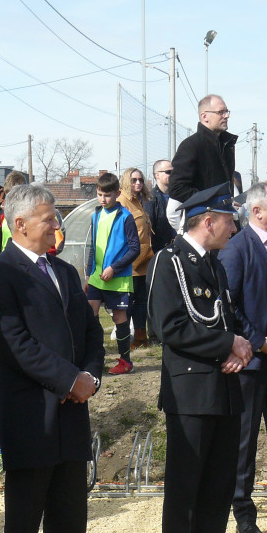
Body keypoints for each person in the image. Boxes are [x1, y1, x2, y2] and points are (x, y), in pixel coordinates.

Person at [0, 184, 106, 533]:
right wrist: (69, 380)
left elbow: (91, 332)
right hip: (30, 411)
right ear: (20, 224)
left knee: (70, 513)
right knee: (25, 515)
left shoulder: (64, 271)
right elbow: (15, 344)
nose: (56, 226)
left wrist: (89, 378)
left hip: (72, 410)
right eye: (49, 218)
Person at [148, 183, 251, 533]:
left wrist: (238, 347)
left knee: (216, 489)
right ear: (208, 221)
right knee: (185, 492)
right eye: (230, 221)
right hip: (190, 392)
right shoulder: (169, 261)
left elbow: (223, 316)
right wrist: (227, 344)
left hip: (224, 389)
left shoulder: (213, 264)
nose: (235, 228)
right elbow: (167, 326)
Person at [221, 182, 267, 533]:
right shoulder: (237, 249)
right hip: (250, 360)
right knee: (245, 440)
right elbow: (228, 305)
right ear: (257, 211)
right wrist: (255, 341)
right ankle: (243, 513)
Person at [86, 172, 140, 374]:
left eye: (107, 195)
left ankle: (125, 362)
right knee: (90, 315)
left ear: (117, 194)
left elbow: (135, 249)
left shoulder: (126, 217)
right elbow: (93, 247)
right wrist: (88, 274)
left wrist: (114, 268)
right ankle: (95, 359)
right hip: (96, 278)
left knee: (119, 318)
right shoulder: (96, 215)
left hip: (118, 279)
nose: (103, 199)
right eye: (100, 194)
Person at [167, 95, 237, 217]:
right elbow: (176, 188)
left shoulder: (226, 145)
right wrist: (212, 202)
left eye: (226, 111)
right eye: (220, 112)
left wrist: (227, 202)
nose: (226, 116)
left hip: (224, 219)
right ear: (204, 116)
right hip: (204, 221)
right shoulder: (191, 145)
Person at [117, 167, 154, 350]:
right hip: (130, 262)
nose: (138, 183)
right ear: (126, 181)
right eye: (134, 180)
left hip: (144, 260)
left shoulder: (139, 201)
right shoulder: (121, 201)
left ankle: (140, 336)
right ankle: (127, 338)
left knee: (141, 301)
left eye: (140, 180)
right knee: (129, 302)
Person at [145, 159, 176, 251]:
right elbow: (149, 228)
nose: (172, 175)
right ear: (157, 175)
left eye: (174, 172)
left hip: (178, 248)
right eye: (168, 172)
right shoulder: (150, 198)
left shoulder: (178, 196)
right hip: (160, 250)